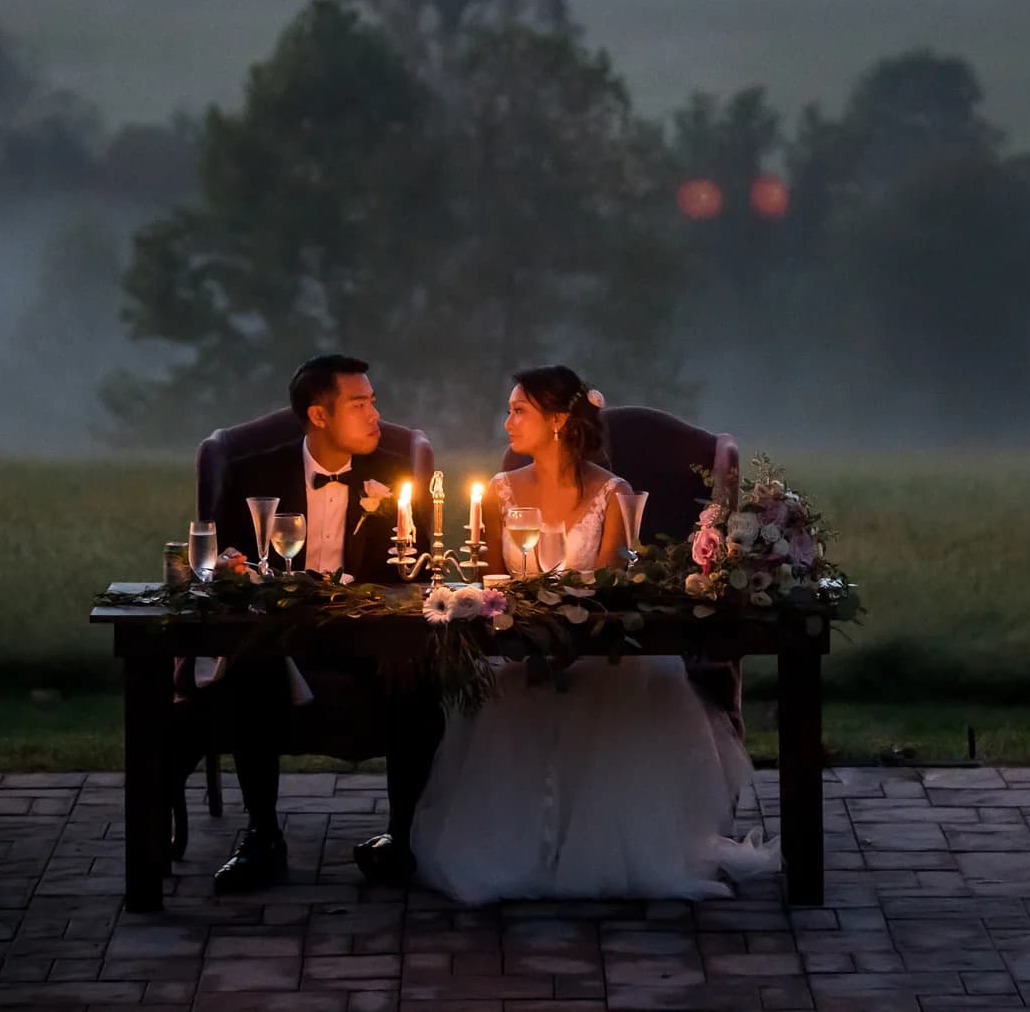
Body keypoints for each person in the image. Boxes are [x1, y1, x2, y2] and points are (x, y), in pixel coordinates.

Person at [408, 364, 777, 903]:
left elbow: (609, 588)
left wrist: (564, 644)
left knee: (623, 685)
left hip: (598, 645)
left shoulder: (612, 493)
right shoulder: (498, 492)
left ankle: (603, 848)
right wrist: (521, 634)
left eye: (519, 411)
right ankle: (523, 847)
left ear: (558, 421)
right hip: (520, 644)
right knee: (502, 692)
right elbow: (489, 583)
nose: (507, 421)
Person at [187, 354, 443, 892]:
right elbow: (230, 567)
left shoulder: (396, 473)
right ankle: (262, 837)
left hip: (367, 632)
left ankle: (400, 836)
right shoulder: (254, 474)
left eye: (374, 402)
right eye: (360, 404)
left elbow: (417, 568)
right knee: (252, 669)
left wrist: (401, 636)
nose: (375, 415)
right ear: (319, 415)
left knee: (419, 681)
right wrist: (234, 567)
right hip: (281, 633)